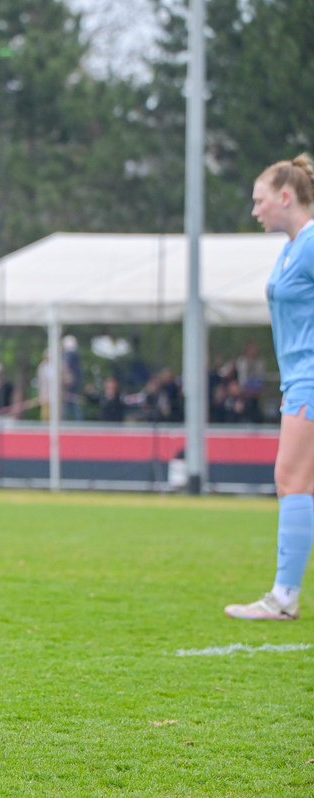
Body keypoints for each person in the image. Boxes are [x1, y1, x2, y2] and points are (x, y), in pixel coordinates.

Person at [226, 153, 314, 622]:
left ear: (285, 197)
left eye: (260, 200)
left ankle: (284, 597)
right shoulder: (292, 247)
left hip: (310, 381)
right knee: (296, 481)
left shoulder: (311, 243)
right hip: (299, 379)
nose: (254, 210)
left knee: (292, 480)